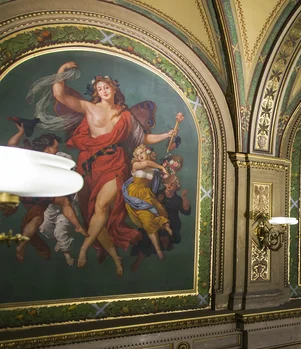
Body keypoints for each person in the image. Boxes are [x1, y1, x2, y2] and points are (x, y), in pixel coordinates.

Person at [52, 61, 179, 274]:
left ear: (113, 89)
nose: (103, 91)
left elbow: (143, 137)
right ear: (96, 92)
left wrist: (166, 135)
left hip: (115, 163)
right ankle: (114, 256)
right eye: (99, 89)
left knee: (101, 206)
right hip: (91, 165)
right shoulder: (89, 108)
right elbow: (60, 95)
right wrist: (61, 71)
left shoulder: (125, 115)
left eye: (106, 87)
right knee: (93, 212)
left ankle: (83, 249)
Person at [5, 121, 88, 262]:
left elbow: (11, 146)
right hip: (37, 189)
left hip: (25, 189)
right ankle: (78, 226)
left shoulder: (32, 153)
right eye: (54, 147)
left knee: (37, 218)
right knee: (64, 202)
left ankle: (21, 245)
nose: (56, 149)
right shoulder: (51, 158)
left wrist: (20, 132)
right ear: (48, 149)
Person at [123, 144, 172, 260]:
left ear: (147, 152)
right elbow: (147, 164)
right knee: (147, 220)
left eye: (141, 153)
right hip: (136, 195)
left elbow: (156, 179)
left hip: (147, 194)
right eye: (137, 154)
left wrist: (166, 173)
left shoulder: (153, 170)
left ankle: (165, 225)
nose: (140, 156)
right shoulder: (136, 165)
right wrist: (162, 167)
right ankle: (158, 249)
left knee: (160, 210)